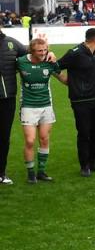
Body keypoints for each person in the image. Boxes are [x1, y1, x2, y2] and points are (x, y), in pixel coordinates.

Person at [58, 27, 95, 177]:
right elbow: (56, 66)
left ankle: (92, 161)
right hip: (81, 101)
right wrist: (65, 80)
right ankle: (84, 165)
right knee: (84, 133)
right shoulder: (75, 53)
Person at [17, 39, 68, 183]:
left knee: (44, 139)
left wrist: (78, 71)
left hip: (46, 106)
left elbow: (64, 80)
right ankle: (30, 173)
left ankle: (41, 171)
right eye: (40, 50)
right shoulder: (21, 62)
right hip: (28, 106)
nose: (43, 53)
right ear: (32, 51)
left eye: (45, 50)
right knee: (30, 140)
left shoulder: (49, 62)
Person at [0, 27, 29, 185]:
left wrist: (49, 53)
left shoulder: (12, 43)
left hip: (7, 98)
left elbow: (30, 56)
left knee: (4, 137)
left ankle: (1, 173)